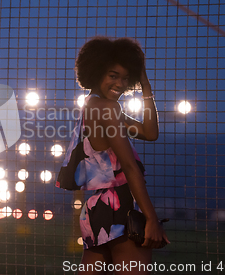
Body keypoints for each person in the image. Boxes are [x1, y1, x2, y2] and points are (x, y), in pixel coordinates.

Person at [73, 37, 170, 274]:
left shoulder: (93, 106)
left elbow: (150, 132)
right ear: (96, 72)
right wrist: (151, 219)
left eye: (127, 78)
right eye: (113, 75)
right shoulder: (107, 109)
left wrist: (144, 86)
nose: (120, 84)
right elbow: (128, 166)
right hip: (120, 208)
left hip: (96, 210)